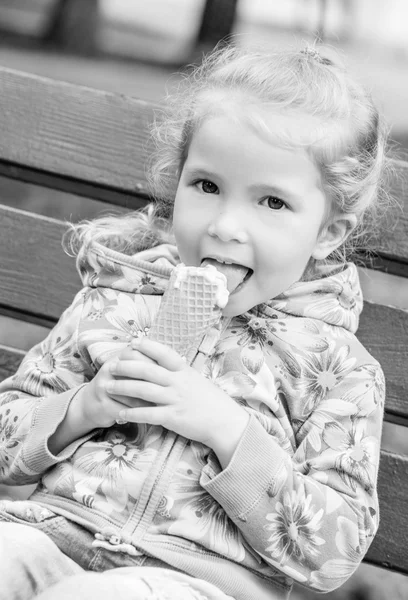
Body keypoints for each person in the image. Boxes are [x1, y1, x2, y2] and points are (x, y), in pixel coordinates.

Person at [0, 43, 390, 600]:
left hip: (195, 585)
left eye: (272, 203)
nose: (226, 225)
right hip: (52, 538)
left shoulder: (338, 370)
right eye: (207, 186)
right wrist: (80, 408)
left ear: (328, 232)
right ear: (177, 182)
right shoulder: (117, 299)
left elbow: (333, 553)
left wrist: (228, 431)